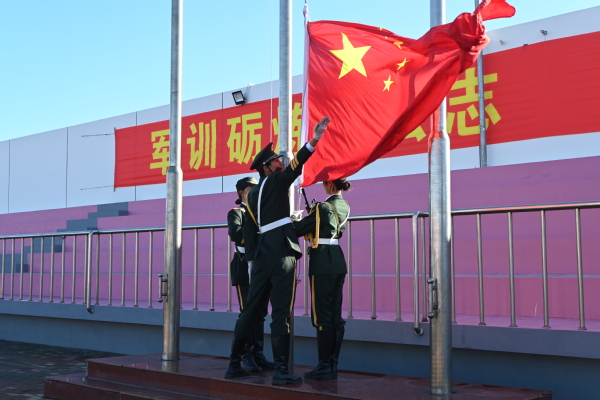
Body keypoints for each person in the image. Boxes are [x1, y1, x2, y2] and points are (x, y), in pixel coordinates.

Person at [224, 116, 330, 385]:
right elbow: (296, 165)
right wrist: (315, 139)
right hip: (282, 255)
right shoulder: (276, 182)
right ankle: (281, 371)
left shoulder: (251, 196)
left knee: (250, 311)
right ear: (267, 167)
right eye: (276, 161)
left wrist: (251, 262)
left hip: (260, 258)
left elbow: (250, 232)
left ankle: (234, 364)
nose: (280, 163)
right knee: (281, 312)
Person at [293, 178, 351, 380]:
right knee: (335, 314)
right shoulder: (344, 205)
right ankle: (332, 365)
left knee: (322, 315)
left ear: (330, 185)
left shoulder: (323, 207)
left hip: (323, 262)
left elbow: (298, 229)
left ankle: (324, 365)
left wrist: (295, 219)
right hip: (337, 260)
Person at [227, 177, 274, 372]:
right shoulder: (237, 212)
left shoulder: (262, 213)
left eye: (256, 189)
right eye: (249, 190)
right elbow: (236, 234)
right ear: (241, 193)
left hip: (261, 267)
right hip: (243, 265)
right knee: (248, 312)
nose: (254, 193)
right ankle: (246, 356)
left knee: (260, 313)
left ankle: (258, 354)